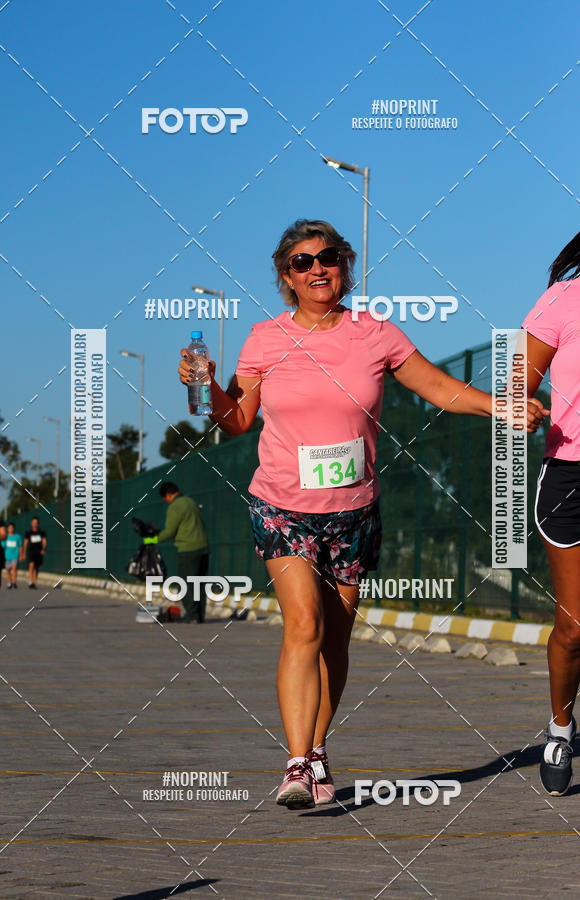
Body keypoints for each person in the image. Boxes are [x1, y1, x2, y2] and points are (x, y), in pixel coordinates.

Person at [178, 218, 545, 810]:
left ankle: (318, 748)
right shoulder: (265, 339)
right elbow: (237, 421)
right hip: (280, 505)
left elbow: (439, 388)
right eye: (302, 262)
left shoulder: (375, 335)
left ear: (345, 267)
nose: (317, 268)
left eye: (329, 257)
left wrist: (498, 406)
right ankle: (296, 764)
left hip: (352, 510)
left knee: (336, 641)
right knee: (304, 624)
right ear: (286, 277)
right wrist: (208, 387)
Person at [523, 205, 580, 796]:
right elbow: (517, 379)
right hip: (576, 478)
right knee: (576, 629)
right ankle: (560, 726)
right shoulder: (564, 301)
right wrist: (517, 403)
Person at [156, 482, 209, 622]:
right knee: (200, 583)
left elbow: (169, 531)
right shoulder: (191, 502)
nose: (166, 502)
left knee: (187, 583)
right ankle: (200, 616)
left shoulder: (175, 506)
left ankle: (191, 615)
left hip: (188, 549)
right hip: (203, 547)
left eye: (165, 499)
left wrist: (153, 539)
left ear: (168, 495)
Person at [23, 516, 47, 589]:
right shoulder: (28, 532)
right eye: (33, 523)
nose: (34, 524)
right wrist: (24, 553)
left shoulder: (41, 532)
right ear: (31, 523)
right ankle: (30, 581)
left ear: (38, 523)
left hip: (39, 552)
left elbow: (44, 541)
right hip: (31, 551)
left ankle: (34, 581)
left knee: (36, 567)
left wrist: (43, 549)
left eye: (36, 523)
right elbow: (25, 542)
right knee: (31, 565)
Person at [2, 522, 23, 590]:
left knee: (14, 568)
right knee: (8, 570)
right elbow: (3, 545)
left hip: (15, 555)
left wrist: (20, 554)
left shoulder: (17, 536)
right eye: (9, 528)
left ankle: (14, 582)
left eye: (12, 528)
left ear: (14, 529)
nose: (11, 529)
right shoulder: (6, 537)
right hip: (7, 556)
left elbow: (20, 546)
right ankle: (9, 582)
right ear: (7, 529)